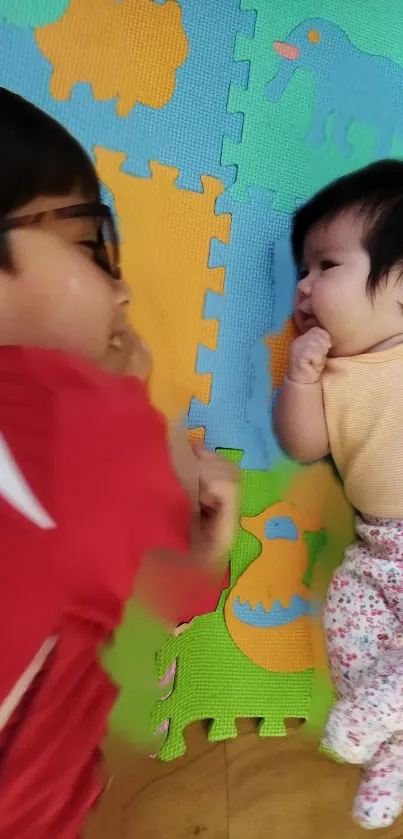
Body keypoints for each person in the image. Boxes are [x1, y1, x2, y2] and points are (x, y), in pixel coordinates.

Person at [0, 88, 238, 837]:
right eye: (88, 249)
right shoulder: (85, 425)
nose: (122, 287)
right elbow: (164, 599)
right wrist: (128, 400)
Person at [275, 159, 403, 830]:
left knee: (379, 688)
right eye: (300, 270)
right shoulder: (331, 371)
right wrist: (299, 382)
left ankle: (377, 723)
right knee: (350, 633)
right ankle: (394, 747)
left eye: (326, 266)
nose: (301, 287)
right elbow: (304, 446)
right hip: (375, 549)